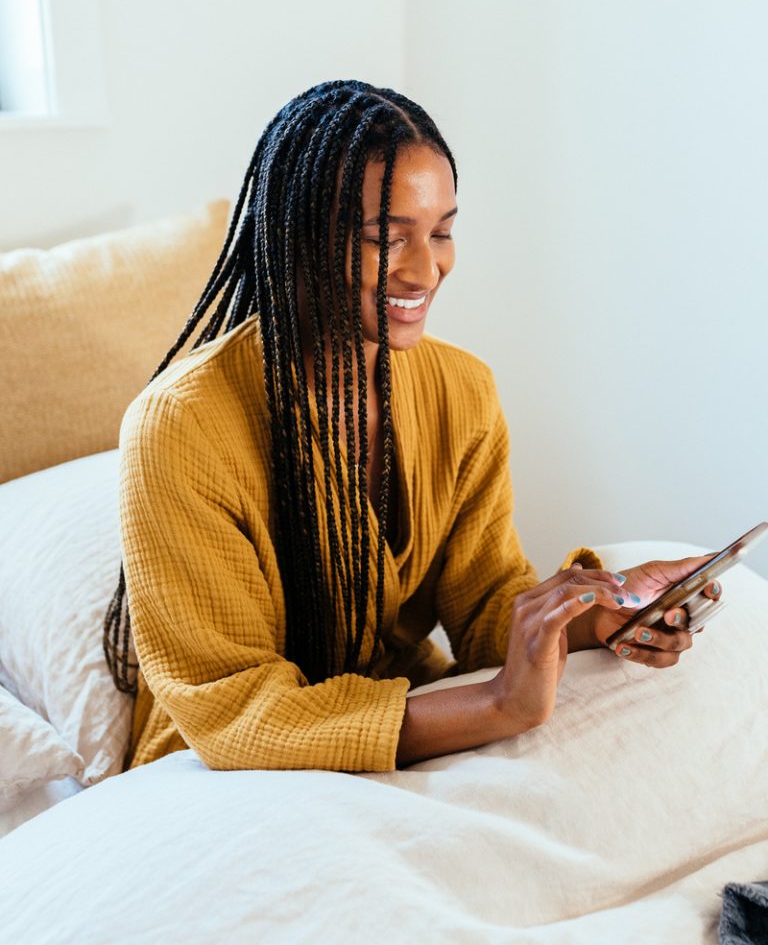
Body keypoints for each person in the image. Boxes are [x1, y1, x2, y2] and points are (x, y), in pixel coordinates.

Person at [104, 80, 720, 772]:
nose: (427, 269)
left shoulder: (463, 390)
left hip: (406, 711)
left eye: (442, 231)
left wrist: (604, 614)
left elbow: (486, 607)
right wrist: (494, 707)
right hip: (216, 776)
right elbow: (235, 713)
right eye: (385, 239)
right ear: (299, 238)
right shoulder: (181, 428)